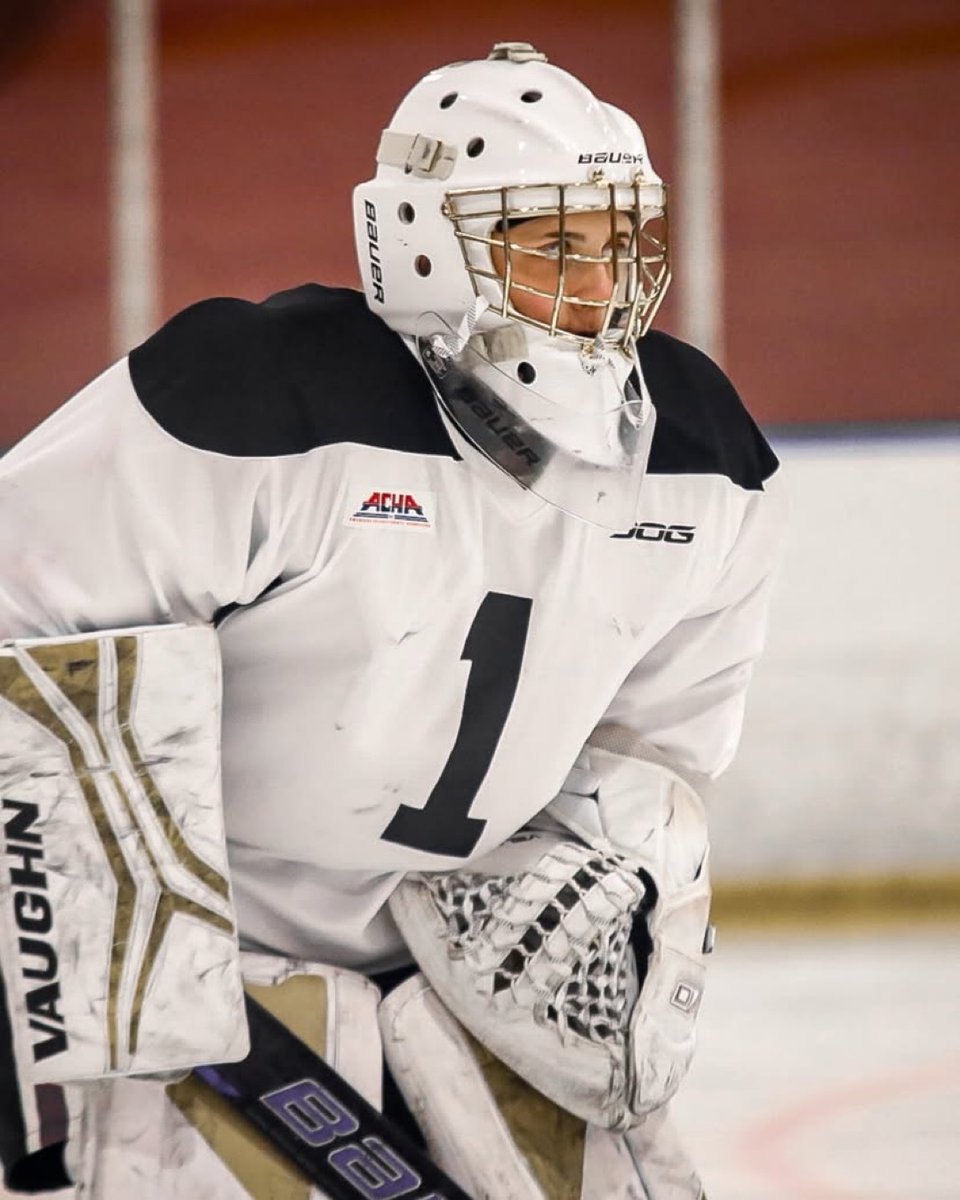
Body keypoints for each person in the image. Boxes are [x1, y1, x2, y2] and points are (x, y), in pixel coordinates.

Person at [0, 42, 782, 1199]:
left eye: (618, 243)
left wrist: (602, 909)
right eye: (552, 244)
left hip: (473, 972)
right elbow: (29, 636)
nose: (599, 285)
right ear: (424, 244)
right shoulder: (256, 397)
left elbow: (648, 752)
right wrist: (73, 1004)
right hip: (196, 969)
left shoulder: (702, 456)